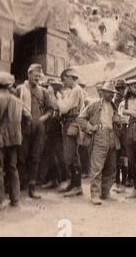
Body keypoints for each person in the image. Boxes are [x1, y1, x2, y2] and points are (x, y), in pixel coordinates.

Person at [0, 72, 31, 210]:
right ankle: (15, 200)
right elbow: (28, 117)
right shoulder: (17, 101)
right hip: (14, 140)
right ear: (9, 85)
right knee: (12, 169)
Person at [78, 81, 121, 205]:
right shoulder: (95, 105)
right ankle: (95, 195)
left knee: (111, 166)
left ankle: (105, 192)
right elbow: (80, 118)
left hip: (112, 136)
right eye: (109, 92)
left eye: (113, 93)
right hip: (100, 136)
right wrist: (91, 127)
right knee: (97, 167)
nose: (111, 95)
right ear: (103, 92)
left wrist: (118, 121)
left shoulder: (114, 106)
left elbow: (115, 122)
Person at [16, 63, 53, 199]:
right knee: (21, 156)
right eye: (35, 75)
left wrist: (42, 118)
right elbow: (15, 107)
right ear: (29, 74)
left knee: (36, 157)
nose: (38, 78)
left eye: (39, 76)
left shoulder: (43, 91)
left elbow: (51, 110)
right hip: (24, 126)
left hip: (39, 128)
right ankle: (19, 187)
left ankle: (32, 188)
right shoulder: (20, 89)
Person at [54, 68, 85, 197]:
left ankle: (77, 186)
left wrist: (57, 97)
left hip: (71, 122)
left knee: (72, 154)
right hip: (71, 122)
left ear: (69, 77)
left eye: (64, 79)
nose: (63, 82)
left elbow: (64, 108)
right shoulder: (76, 91)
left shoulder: (76, 90)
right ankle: (73, 184)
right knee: (71, 154)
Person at [113, 79, 128, 193]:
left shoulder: (126, 101)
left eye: (122, 89)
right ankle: (117, 181)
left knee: (124, 158)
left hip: (125, 132)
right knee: (117, 157)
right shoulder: (114, 102)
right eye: (118, 89)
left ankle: (123, 183)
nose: (120, 91)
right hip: (117, 132)